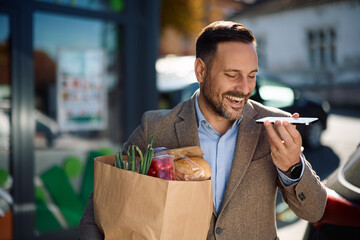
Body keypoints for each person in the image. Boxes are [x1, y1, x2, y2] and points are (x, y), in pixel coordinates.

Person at [80, 20, 327, 239]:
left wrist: (293, 167)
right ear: (200, 70)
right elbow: (104, 199)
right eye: (232, 75)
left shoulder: (274, 125)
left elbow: (314, 210)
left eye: (251, 75)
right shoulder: (154, 127)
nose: (244, 88)